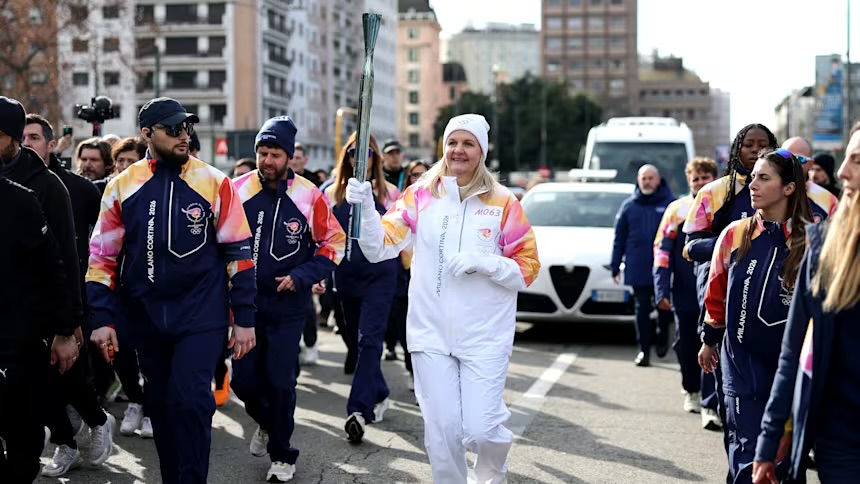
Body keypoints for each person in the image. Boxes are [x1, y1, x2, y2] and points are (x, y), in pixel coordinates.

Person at [346, 114, 540, 483]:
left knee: (483, 431)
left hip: (484, 336)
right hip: (430, 332)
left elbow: (528, 267)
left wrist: (486, 264)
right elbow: (379, 247)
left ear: (481, 151)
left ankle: (490, 475)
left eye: (468, 143)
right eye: (453, 143)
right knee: (443, 432)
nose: (458, 150)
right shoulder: (421, 194)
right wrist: (366, 211)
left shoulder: (503, 202)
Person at [86, 97, 257, 484]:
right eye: (173, 129)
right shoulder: (121, 186)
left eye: (187, 128)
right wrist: (102, 318)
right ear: (147, 134)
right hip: (146, 318)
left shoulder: (216, 182)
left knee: (192, 402)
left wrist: (244, 319)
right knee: (160, 406)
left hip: (202, 316)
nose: (185, 135)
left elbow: (240, 255)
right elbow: (101, 258)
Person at [232, 116, 345, 482]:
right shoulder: (236, 190)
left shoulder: (310, 196)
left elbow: (335, 244)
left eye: (275, 154)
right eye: (263, 152)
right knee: (242, 382)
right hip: (245, 306)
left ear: (289, 155)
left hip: (287, 308)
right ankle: (267, 423)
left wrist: (301, 276)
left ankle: (282, 454)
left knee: (281, 381)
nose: (267, 160)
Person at [753, 124, 860, 484]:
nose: (842, 172)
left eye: (857, 161)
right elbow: (795, 350)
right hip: (842, 442)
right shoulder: (826, 248)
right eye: (846, 158)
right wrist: (770, 440)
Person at [698, 149, 810, 483]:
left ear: (788, 188)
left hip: (790, 369)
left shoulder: (812, 239)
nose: (753, 185)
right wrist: (709, 340)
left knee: (786, 466)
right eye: (753, 177)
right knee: (746, 456)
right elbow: (715, 293)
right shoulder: (734, 233)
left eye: (764, 178)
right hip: (741, 364)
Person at [21, 115, 117, 476]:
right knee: (36, 383)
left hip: (69, 297)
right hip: (22, 302)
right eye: (22, 136)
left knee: (70, 377)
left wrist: (78, 312)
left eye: (34, 137)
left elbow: (100, 244)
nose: (27, 142)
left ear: (50, 144)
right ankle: (66, 441)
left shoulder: (75, 188)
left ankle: (95, 418)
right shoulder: (9, 183)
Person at [684, 124, 779, 438]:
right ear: (738, 148)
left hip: (771, 289)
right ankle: (713, 402)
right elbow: (691, 247)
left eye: (762, 144)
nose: (755, 150)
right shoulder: (715, 191)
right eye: (749, 144)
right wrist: (734, 245)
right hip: (721, 282)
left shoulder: (787, 190)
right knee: (714, 344)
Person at [0, 174, 79, 483]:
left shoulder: (20, 199)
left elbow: (52, 268)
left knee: (21, 435)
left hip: (16, 338)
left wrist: (64, 330)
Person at [325, 132, 401, 443]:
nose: (362, 159)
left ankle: (357, 410)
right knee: (356, 345)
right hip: (346, 278)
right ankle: (381, 392)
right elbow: (322, 238)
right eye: (355, 153)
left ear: (376, 160)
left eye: (368, 154)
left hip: (380, 278)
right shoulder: (331, 194)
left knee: (371, 342)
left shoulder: (391, 195)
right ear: (347, 158)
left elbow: (402, 236)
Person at [653, 157, 717, 412]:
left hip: (715, 289)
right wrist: (661, 289)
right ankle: (691, 389)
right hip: (684, 291)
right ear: (689, 181)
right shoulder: (677, 210)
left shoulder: (723, 206)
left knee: (712, 342)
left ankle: (710, 402)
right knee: (686, 343)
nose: (701, 183)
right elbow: (662, 251)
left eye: (706, 178)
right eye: (696, 178)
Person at [611, 164, 675, 367]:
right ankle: (643, 351)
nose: (647, 182)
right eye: (643, 178)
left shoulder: (671, 204)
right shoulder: (629, 206)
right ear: (638, 180)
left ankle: (663, 334)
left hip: (664, 267)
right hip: (638, 265)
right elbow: (619, 238)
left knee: (664, 307)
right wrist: (615, 265)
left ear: (658, 180)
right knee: (642, 309)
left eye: (650, 178)